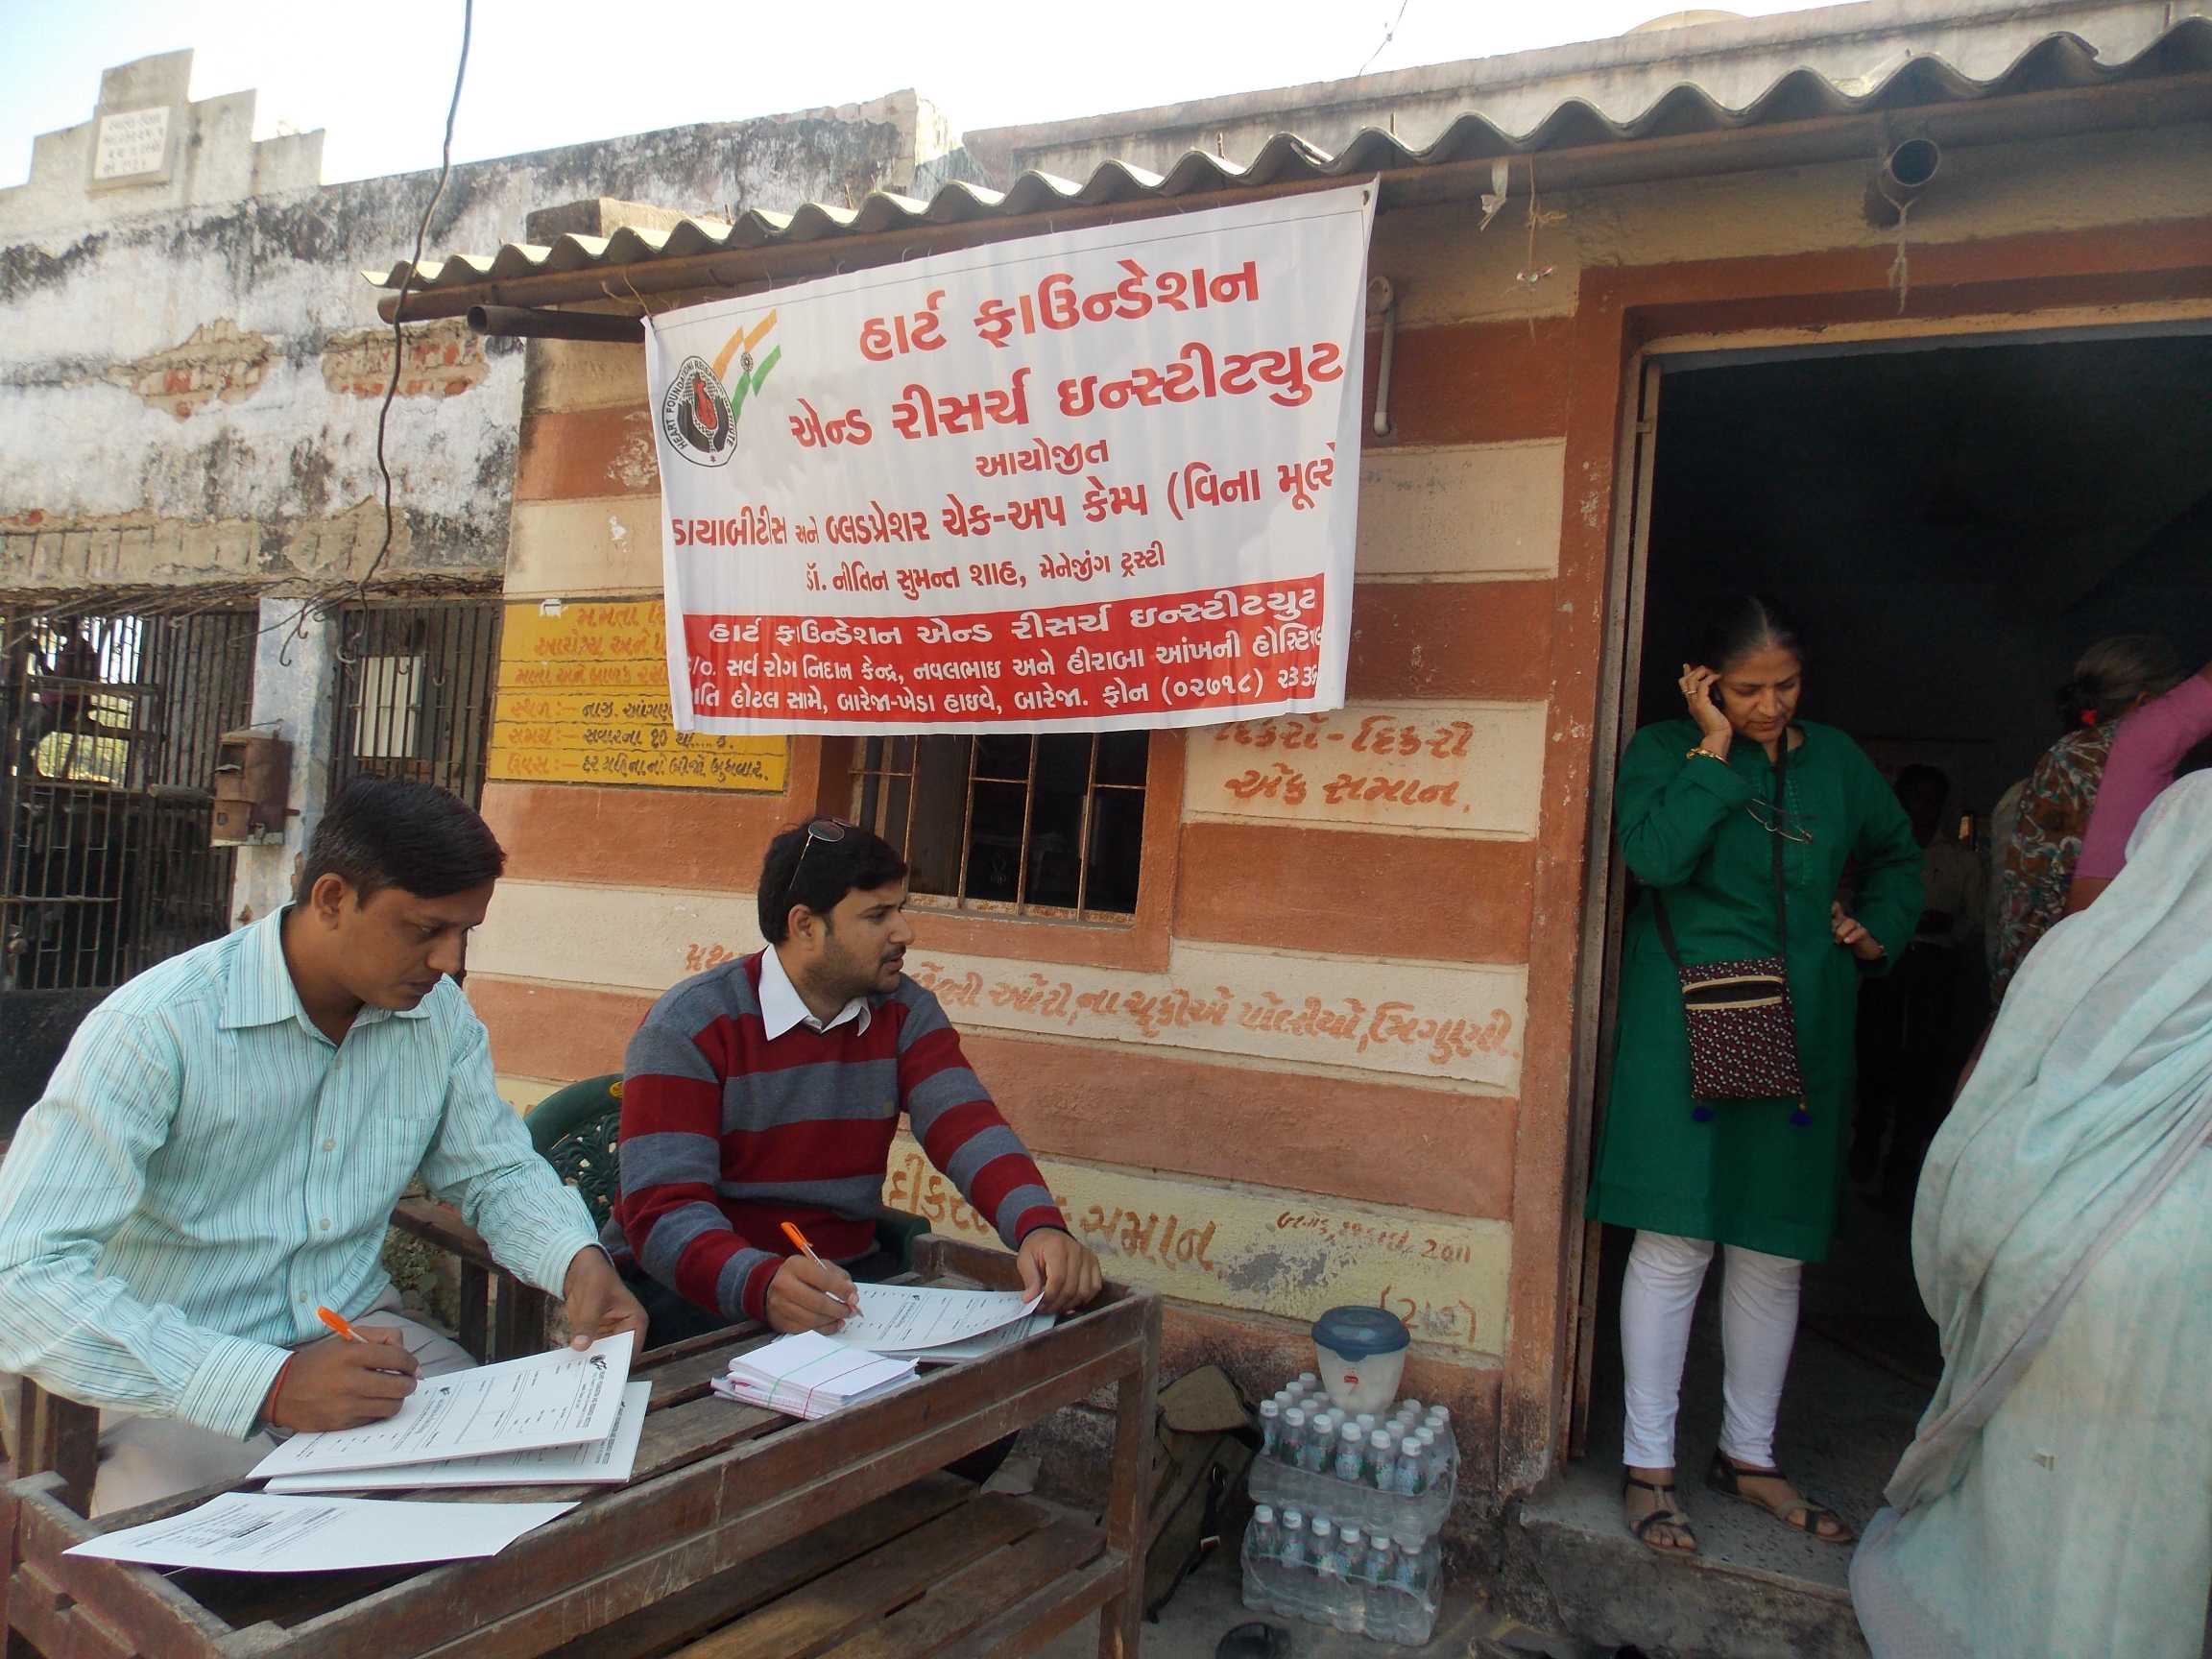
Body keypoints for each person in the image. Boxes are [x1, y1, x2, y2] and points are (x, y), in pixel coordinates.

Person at [0, 778, 646, 1515]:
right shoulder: (158, 1030)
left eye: (466, 933)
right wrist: (267, 1383)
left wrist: (575, 1258)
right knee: (218, 1576)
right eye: (424, 930)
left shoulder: (438, 1023)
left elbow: (494, 1169)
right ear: (333, 898)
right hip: (167, 1375)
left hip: (361, 1344)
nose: (449, 960)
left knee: (527, 1498)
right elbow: (22, 1276)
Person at [1587, 594, 1923, 1557]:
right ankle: (1649, 1466)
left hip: (1802, 1021)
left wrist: (1879, 929)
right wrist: (1713, 747)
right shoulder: (1665, 751)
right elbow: (1652, 855)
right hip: (1687, 1022)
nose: (1771, 705)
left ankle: (1750, 1456)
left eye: (1785, 688)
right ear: (1704, 684)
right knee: (1677, 1239)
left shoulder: (1842, 766)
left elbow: (1901, 859)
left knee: (1772, 1250)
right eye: (1748, 690)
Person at [1851, 772, 2212, 1659]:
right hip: (2185, 1297)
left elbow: (1981, 1113)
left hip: (2055, 1266)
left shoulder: (2084, 956)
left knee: (2040, 1495)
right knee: (2152, 1524)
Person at [609, 818, 1102, 1343]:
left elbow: (965, 1124)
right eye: (877, 915)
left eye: (901, 910)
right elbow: (661, 1211)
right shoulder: (690, 1025)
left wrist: (1038, 1225)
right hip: (702, 1288)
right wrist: (760, 1282)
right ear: (805, 927)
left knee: (988, 1390)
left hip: (846, 1281)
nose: (904, 933)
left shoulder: (904, 1011)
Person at [1989, 634, 2181, 1000]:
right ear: (2146, 703)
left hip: (2036, 979)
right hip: (2078, 983)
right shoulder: (2106, 768)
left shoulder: (2056, 767)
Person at [1852, 766, 1984, 1205]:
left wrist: (1945, 927)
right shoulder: (1876, 853)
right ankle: (1862, 1151)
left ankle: (1902, 1170)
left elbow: (1975, 920)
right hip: (1885, 964)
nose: (1921, 809)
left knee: (1923, 1067)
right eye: (1914, 799)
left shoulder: (1960, 860)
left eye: (1931, 800)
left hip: (1934, 965)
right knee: (1873, 1056)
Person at [2064, 651, 2212, 915]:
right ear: (2146, 702)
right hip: (2110, 932)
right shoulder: (2139, 740)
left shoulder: (2068, 751)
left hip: (2056, 944)